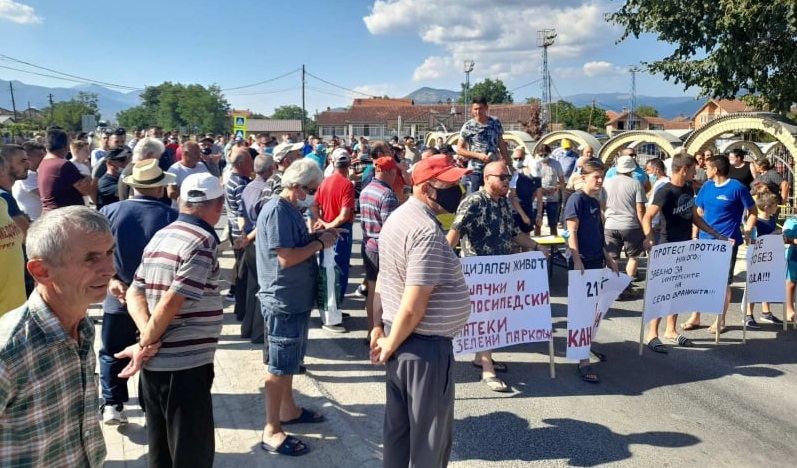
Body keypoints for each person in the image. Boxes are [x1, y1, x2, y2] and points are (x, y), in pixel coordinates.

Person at [371, 154, 472, 467]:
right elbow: (415, 304)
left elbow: (382, 280)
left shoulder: (399, 219)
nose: (459, 188)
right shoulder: (425, 232)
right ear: (427, 188)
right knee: (429, 441)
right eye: (451, 183)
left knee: (399, 434)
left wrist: (378, 329)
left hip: (400, 339)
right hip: (424, 348)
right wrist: (388, 340)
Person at [121, 173, 225, 467]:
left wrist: (146, 338)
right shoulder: (202, 240)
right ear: (216, 205)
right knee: (191, 454)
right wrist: (144, 342)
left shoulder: (163, 234)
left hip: (157, 367)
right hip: (184, 367)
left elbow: (134, 291)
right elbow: (171, 301)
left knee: (162, 451)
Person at [0, 206, 114, 466]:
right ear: (41, 271)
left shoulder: (82, 326)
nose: (109, 268)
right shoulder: (8, 352)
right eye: (91, 258)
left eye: (110, 252)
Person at [257, 158, 342, 457]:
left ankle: (288, 410)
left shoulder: (290, 208)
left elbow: (295, 244)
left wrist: (318, 237)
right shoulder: (279, 210)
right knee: (279, 366)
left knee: (290, 361)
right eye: (310, 189)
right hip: (283, 299)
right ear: (294, 185)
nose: (313, 195)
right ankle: (272, 429)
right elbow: (286, 257)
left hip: (293, 298)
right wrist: (320, 244)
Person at [447, 161, 546, 393]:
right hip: (478, 277)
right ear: (486, 178)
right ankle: (487, 368)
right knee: (484, 319)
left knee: (494, 318)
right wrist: (443, 267)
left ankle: (481, 357)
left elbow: (513, 234)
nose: (506, 181)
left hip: (501, 274)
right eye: (502, 176)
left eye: (508, 176)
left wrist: (535, 246)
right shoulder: (474, 202)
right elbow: (453, 235)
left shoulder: (502, 203)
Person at [96, 159, 177, 425]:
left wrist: (110, 280)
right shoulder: (170, 216)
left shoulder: (108, 212)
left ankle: (112, 403)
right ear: (159, 188)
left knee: (111, 352)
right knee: (154, 351)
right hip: (156, 301)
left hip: (117, 295)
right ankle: (151, 406)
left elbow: (94, 255)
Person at [642, 154, 729, 352]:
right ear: (684, 169)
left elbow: (694, 218)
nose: (694, 173)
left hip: (685, 246)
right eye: (692, 170)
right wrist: (648, 237)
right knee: (662, 291)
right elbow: (648, 216)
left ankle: (671, 330)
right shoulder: (665, 191)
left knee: (678, 290)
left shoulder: (688, 189)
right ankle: (652, 334)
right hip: (667, 245)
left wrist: (716, 234)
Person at [683, 155, 757, 334]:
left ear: (715, 169)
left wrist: (747, 231)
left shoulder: (737, 188)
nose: (704, 170)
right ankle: (696, 315)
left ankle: (720, 319)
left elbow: (753, 211)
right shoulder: (706, 187)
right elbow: (699, 212)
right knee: (699, 280)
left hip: (728, 243)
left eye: (707, 167)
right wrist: (695, 235)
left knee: (723, 283)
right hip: (704, 241)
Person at [564, 161, 619, 382]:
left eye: (602, 176)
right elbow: (571, 233)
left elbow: (598, 233)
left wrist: (609, 258)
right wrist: (577, 260)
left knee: (594, 309)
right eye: (596, 176)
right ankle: (582, 360)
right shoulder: (576, 200)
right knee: (582, 312)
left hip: (597, 260)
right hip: (583, 263)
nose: (600, 180)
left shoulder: (595, 202)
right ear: (584, 177)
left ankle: (585, 345)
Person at [312, 148, 356, 333]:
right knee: (337, 273)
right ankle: (331, 317)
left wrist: (321, 222)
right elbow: (345, 214)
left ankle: (333, 310)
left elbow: (314, 205)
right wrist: (330, 225)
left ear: (332, 162)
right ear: (349, 164)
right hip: (340, 232)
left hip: (328, 230)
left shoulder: (325, 182)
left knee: (329, 271)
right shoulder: (347, 185)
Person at [234, 154, 275, 343]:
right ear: (269, 170)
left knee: (252, 287)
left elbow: (240, 214)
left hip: (248, 239)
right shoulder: (266, 190)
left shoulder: (248, 187)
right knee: (263, 287)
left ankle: (247, 327)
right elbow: (264, 222)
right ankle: (259, 332)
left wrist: (244, 235)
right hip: (258, 240)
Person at [359, 156, 401, 335]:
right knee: (382, 292)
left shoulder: (366, 189)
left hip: (367, 244)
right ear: (390, 172)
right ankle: (379, 331)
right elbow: (390, 229)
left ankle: (371, 331)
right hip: (381, 249)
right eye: (395, 173)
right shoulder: (387, 195)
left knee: (372, 290)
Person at [603, 155, 646, 299]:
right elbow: (640, 208)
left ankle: (614, 287)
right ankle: (626, 286)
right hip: (630, 224)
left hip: (610, 224)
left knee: (612, 257)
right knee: (633, 257)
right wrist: (644, 228)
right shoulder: (635, 183)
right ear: (631, 169)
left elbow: (602, 205)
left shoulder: (606, 182)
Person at [456, 97, 510, 193]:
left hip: (493, 168)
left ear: (486, 108)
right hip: (476, 169)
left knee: (495, 194)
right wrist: (478, 155)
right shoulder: (468, 126)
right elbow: (459, 149)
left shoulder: (495, 123)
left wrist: (509, 164)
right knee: (475, 196)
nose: (478, 111)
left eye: (480, 108)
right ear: (472, 110)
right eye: (475, 109)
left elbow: (501, 144)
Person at [743, 192, 781, 328]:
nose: (777, 208)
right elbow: (751, 240)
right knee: (754, 284)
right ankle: (748, 314)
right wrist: (772, 235)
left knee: (766, 283)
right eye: (775, 206)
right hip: (757, 258)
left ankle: (766, 312)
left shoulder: (771, 219)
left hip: (769, 257)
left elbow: (775, 233)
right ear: (767, 207)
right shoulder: (756, 221)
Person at [225, 148, 253, 318]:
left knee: (240, 270)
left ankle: (239, 305)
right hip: (241, 233)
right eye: (250, 162)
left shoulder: (232, 179)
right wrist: (245, 236)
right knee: (244, 273)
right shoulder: (241, 183)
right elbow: (243, 212)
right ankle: (242, 310)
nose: (252, 166)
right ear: (241, 164)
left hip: (234, 229)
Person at [38, 127, 93, 211]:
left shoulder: (43, 163)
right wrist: (89, 177)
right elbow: (86, 190)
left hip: (51, 214)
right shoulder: (64, 165)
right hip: (65, 216)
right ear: (66, 145)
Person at [509, 151, 543, 237]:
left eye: (520, 158)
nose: (518, 160)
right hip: (515, 210)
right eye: (515, 158)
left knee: (527, 237)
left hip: (527, 208)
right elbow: (511, 196)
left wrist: (539, 215)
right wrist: (523, 216)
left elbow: (539, 198)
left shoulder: (536, 176)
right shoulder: (515, 174)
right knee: (515, 239)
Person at [11, 140, 45, 221]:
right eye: (39, 155)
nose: (43, 158)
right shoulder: (28, 175)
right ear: (28, 157)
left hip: (38, 220)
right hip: (33, 221)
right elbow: (45, 194)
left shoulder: (33, 173)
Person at [538, 149, 566, 236]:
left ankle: (554, 247)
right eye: (541, 155)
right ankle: (536, 246)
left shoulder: (556, 164)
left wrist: (555, 188)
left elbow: (562, 182)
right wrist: (540, 189)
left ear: (549, 153)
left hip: (553, 199)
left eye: (545, 154)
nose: (543, 157)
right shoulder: (536, 164)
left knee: (553, 225)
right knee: (537, 224)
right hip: (539, 199)